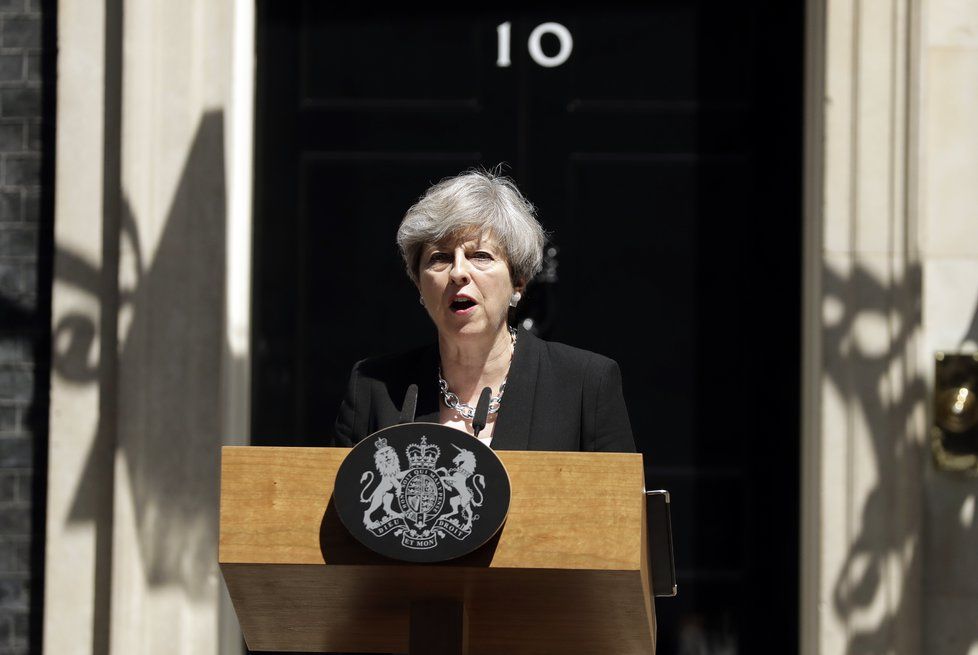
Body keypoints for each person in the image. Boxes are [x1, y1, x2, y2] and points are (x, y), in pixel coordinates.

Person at [333, 169, 635, 452]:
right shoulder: (373, 387)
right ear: (419, 285)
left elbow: (618, 505)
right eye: (440, 257)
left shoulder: (585, 384)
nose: (458, 273)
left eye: (480, 255)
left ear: (518, 282)